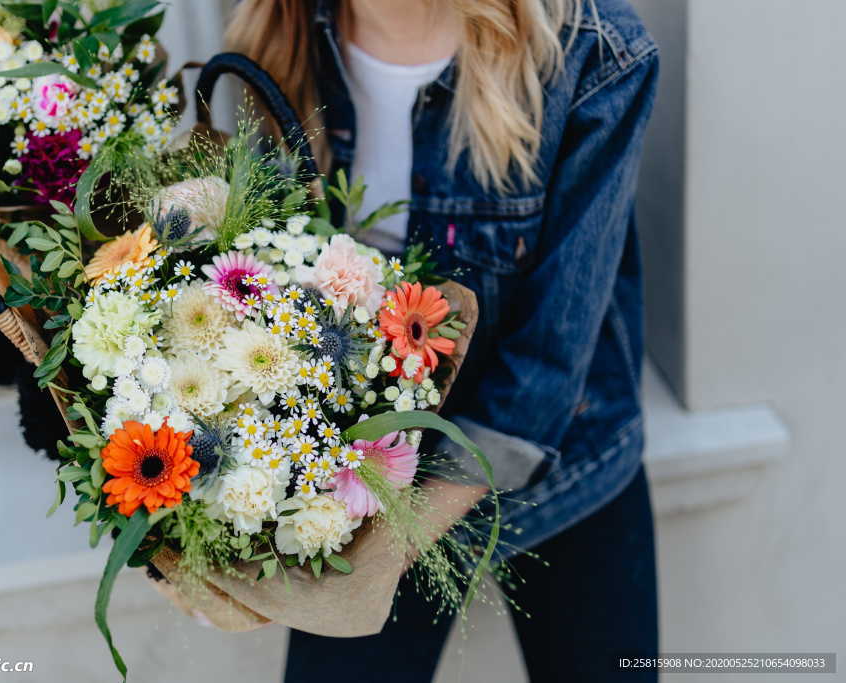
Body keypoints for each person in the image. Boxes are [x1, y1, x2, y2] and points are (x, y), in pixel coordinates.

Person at [227, 0, 660, 681]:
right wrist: (221, 519)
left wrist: (385, 544)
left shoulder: (594, 50)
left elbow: (551, 356)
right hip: (357, 481)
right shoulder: (280, 30)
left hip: (565, 464)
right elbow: (256, 291)